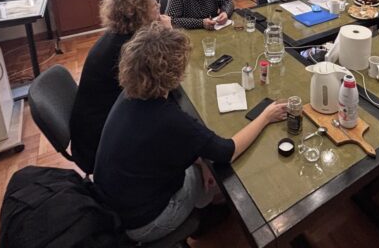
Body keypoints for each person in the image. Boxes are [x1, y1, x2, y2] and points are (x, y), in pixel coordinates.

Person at [94, 22, 287, 243]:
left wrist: (201, 160)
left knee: (203, 162)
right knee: (219, 175)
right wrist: (266, 116)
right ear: (174, 72)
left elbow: (165, 145)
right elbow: (227, 151)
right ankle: (212, 208)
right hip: (144, 223)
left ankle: (206, 198)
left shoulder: (130, 95)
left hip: (113, 206)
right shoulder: (169, 118)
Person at [69, 0, 171, 173]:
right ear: (139, 13)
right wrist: (168, 34)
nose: (159, 6)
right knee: (170, 117)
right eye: (153, 5)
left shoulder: (119, 35)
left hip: (94, 130)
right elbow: (163, 81)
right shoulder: (128, 48)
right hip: (101, 147)